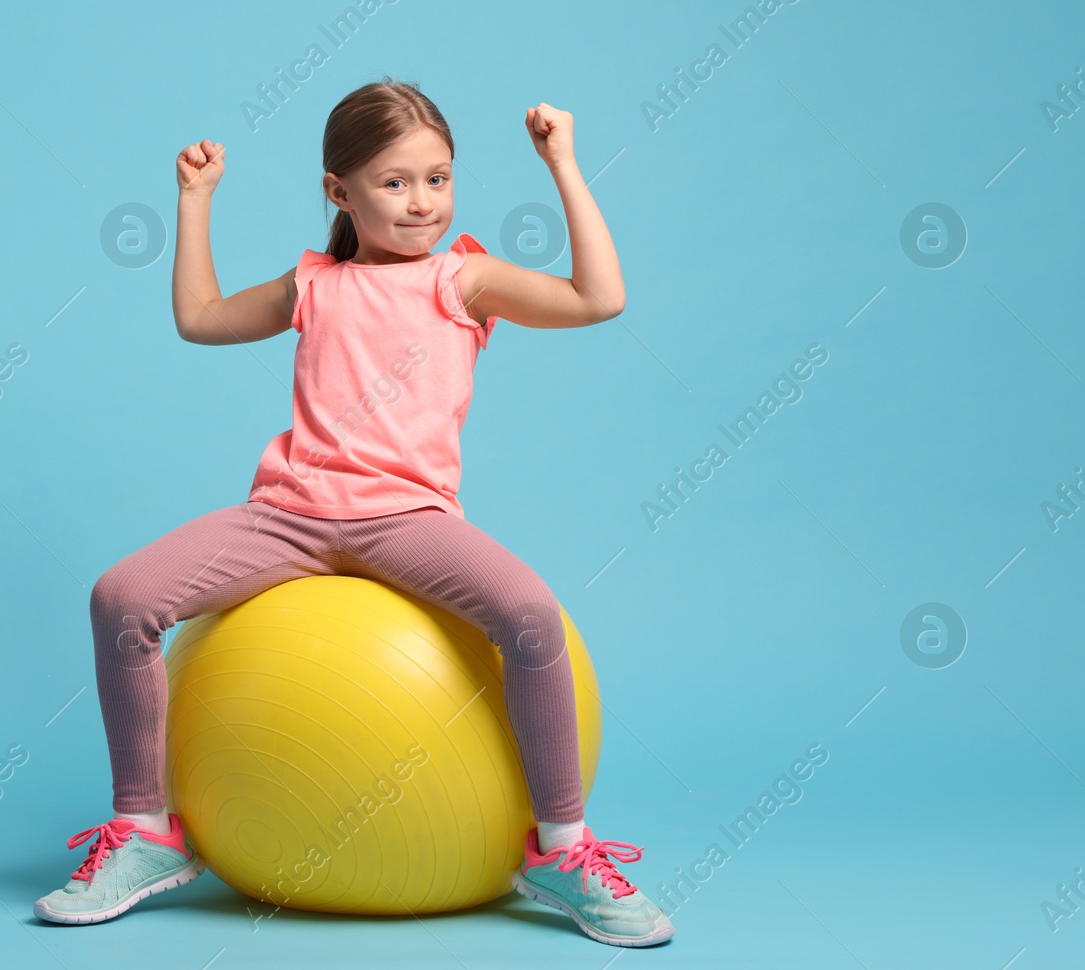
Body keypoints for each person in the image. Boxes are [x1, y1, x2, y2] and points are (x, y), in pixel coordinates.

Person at [34, 78, 674, 947]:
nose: (422, 203)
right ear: (339, 191)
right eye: (396, 182)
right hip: (290, 517)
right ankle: (146, 833)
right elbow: (199, 318)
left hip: (409, 520)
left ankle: (562, 847)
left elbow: (600, 298)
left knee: (529, 614)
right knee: (122, 596)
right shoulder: (315, 286)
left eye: (439, 179)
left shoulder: (464, 280)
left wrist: (562, 162)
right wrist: (194, 201)